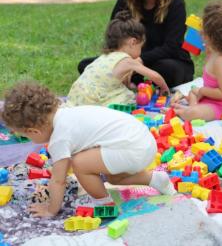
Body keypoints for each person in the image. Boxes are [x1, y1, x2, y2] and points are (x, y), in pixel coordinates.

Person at [2, 82, 176, 218]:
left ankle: (104, 204)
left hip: (131, 148)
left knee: (80, 164)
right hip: (142, 141)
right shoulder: (65, 112)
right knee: (113, 177)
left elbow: (58, 180)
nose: (29, 140)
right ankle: (155, 180)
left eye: (26, 136)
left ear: (34, 131)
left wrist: (51, 210)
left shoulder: (59, 139)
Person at [78, 0, 194, 88]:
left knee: (169, 70)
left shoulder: (175, 4)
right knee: (86, 65)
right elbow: (113, 37)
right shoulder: (126, 0)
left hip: (166, 60)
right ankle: (135, 79)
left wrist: (140, 60)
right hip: (130, 59)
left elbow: (172, 47)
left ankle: (134, 80)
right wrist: (125, 61)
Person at [67, 11, 169, 107]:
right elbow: (155, 76)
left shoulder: (104, 57)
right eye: (140, 47)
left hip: (76, 96)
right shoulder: (128, 61)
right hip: (94, 101)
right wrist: (164, 88)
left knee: (123, 90)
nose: (141, 52)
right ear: (133, 42)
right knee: (130, 97)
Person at [172, 1, 222, 121]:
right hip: (208, 98)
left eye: (203, 29)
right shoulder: (212, 51)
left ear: (212, 36)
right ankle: (189, 107)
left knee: (193, 112)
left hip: (221, 107)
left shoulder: (221, 60)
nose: (200, 31)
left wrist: (203, 91)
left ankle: (185, 111)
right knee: (192, 92)